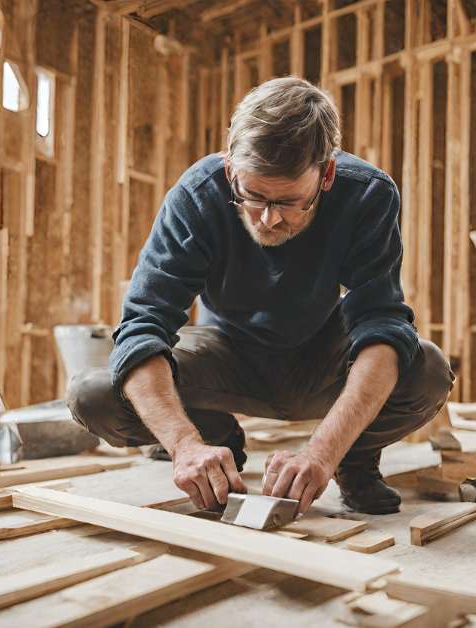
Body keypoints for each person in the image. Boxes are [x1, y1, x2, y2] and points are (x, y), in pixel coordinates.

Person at [68, 77, 453, 515]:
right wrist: (183, 443)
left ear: (326, 175)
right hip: (226, 353)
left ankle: (354, 457)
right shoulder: (196, 196)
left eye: (290, 202)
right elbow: (142, 326)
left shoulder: (367, 194)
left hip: (322, 357)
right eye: (252, 196)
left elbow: (383, 326)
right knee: (94, 394)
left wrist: (322, 453)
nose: (269, 220)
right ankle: (214, 439)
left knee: (427, 370)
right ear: (230, 168)